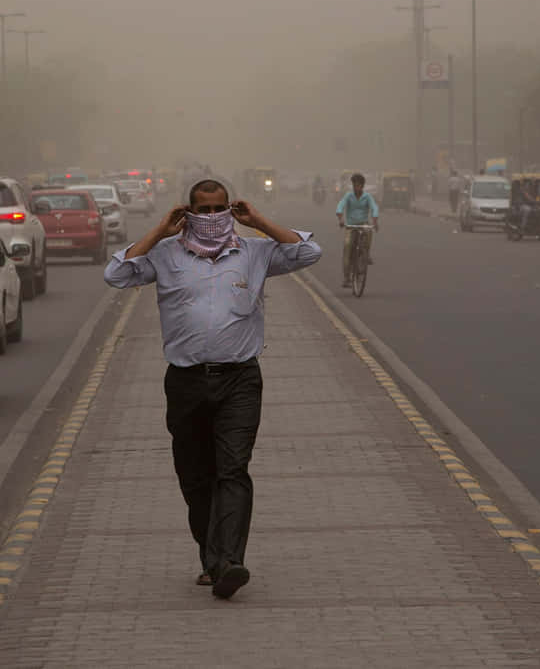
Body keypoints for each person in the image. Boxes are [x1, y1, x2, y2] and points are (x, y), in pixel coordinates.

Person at [104, 178, 321, 599]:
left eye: (217, 209)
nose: (209, 218)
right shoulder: (166, 256)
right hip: (185, 382)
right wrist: (158, 232)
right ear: (187, 212)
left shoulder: (255, 253)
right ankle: (212, 556)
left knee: (233, 470)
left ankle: (229, 563)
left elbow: (309, 251)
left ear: (229, 209)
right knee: (195, 477)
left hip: (240, 379)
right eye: (200, 210)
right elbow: (116, 274)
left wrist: (257, 221)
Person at [336, 172, 379, 286]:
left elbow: (374, 208)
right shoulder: (348, 196)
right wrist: (341, 219)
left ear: (362, 186)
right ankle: (346, 277)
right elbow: (340, 206)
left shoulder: (367, 196)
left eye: (359, 185)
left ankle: (366, 254)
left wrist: (375, 221)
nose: (357, 187)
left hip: (363, 224)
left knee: (369, 232)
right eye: (355, 185)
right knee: (347, 246)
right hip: (351, 226)